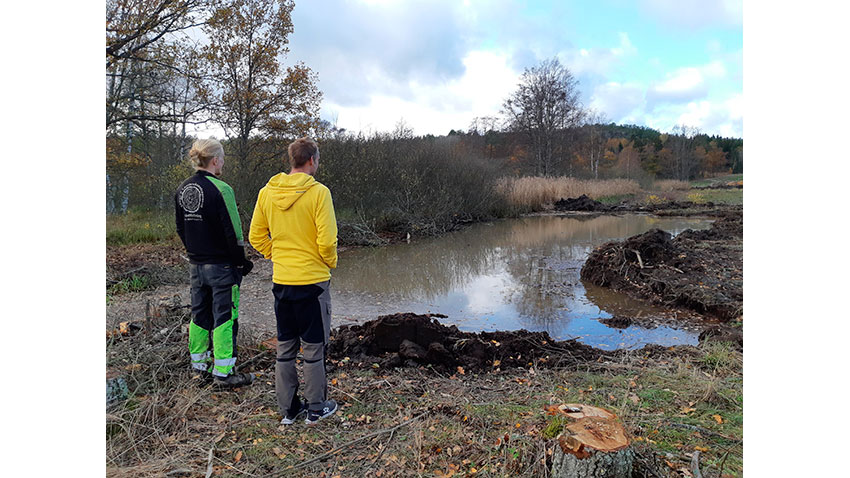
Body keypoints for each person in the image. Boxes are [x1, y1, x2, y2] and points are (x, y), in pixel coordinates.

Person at [249, 137, 338, 425]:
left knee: (285, 348)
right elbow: (327, 240)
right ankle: (316, 408)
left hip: (282, 281)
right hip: (312, 283)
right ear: (311, 160)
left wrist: (277, 255)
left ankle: (288, 410)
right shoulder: (319, 193)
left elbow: (255, 236)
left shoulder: (267, 192)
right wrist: (328, 262)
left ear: (292, 160)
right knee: (313, 349)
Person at [175, 138, 254, 388]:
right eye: (223, 159)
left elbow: (180, 227)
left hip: (196, 265)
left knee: (198, 316)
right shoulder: (222, 189)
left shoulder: (182, 188)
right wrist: (241, 261)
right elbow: (234, 231)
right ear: (216, 160)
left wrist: (194, 252)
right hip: (222, 267)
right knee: (225, 317)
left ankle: (199, 369)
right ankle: (224, 372)